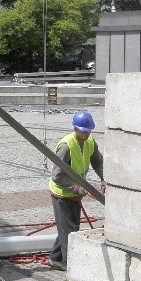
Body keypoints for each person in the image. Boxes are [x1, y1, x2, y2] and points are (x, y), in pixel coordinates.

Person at [48, 110, 105, 271]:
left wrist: (103, 178)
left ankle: (55, 258)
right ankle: (70, 266)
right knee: (69, 232)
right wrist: (75, 188)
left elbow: (98, 161)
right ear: (75, 129)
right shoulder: (66, 146)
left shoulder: (90, 142)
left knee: (67, 227)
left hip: (74, 194)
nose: (87, 134)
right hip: (62, 194)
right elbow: (57, 175)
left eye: (88, 131)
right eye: (83, 131)